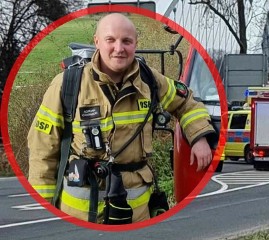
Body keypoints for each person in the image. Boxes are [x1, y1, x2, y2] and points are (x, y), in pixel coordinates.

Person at [27, 13, 217, 224]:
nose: (119, 48)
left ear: (136, 44)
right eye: (111, 40)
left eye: (126, 41)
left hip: (137, 214)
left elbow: (186, 103)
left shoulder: (149, 80)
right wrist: (42, 211)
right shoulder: (68, 84)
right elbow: (42, 148)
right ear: (97, 41)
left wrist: (199, 137)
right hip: (79, 217)